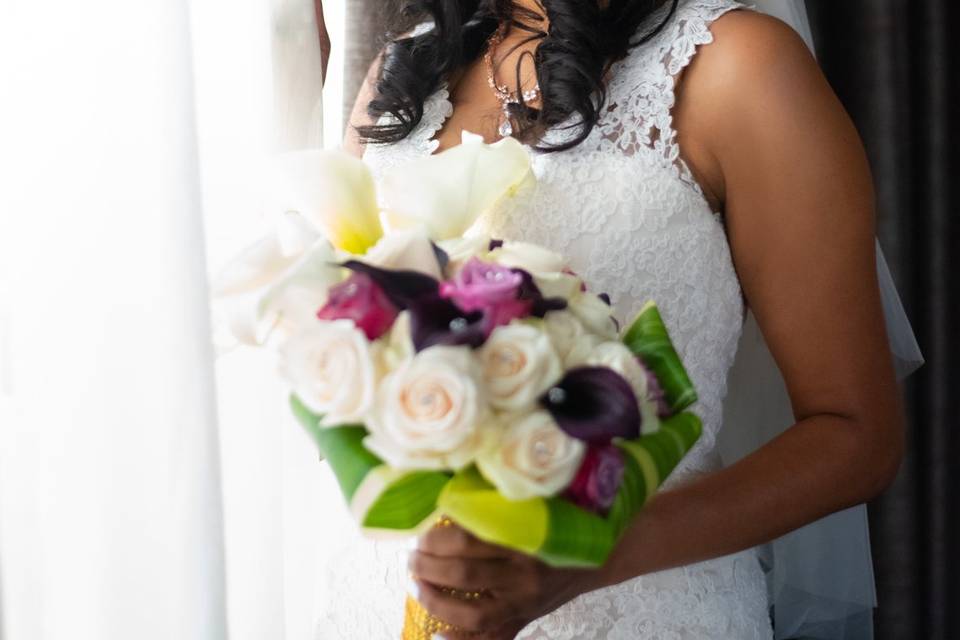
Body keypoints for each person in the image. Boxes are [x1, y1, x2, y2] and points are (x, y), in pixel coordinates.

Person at [315, 1, 906, 637]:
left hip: (643, 611)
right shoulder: (404, 71)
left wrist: (594, 548)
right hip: (376, 601)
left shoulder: (735, 65)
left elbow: (855, 434)